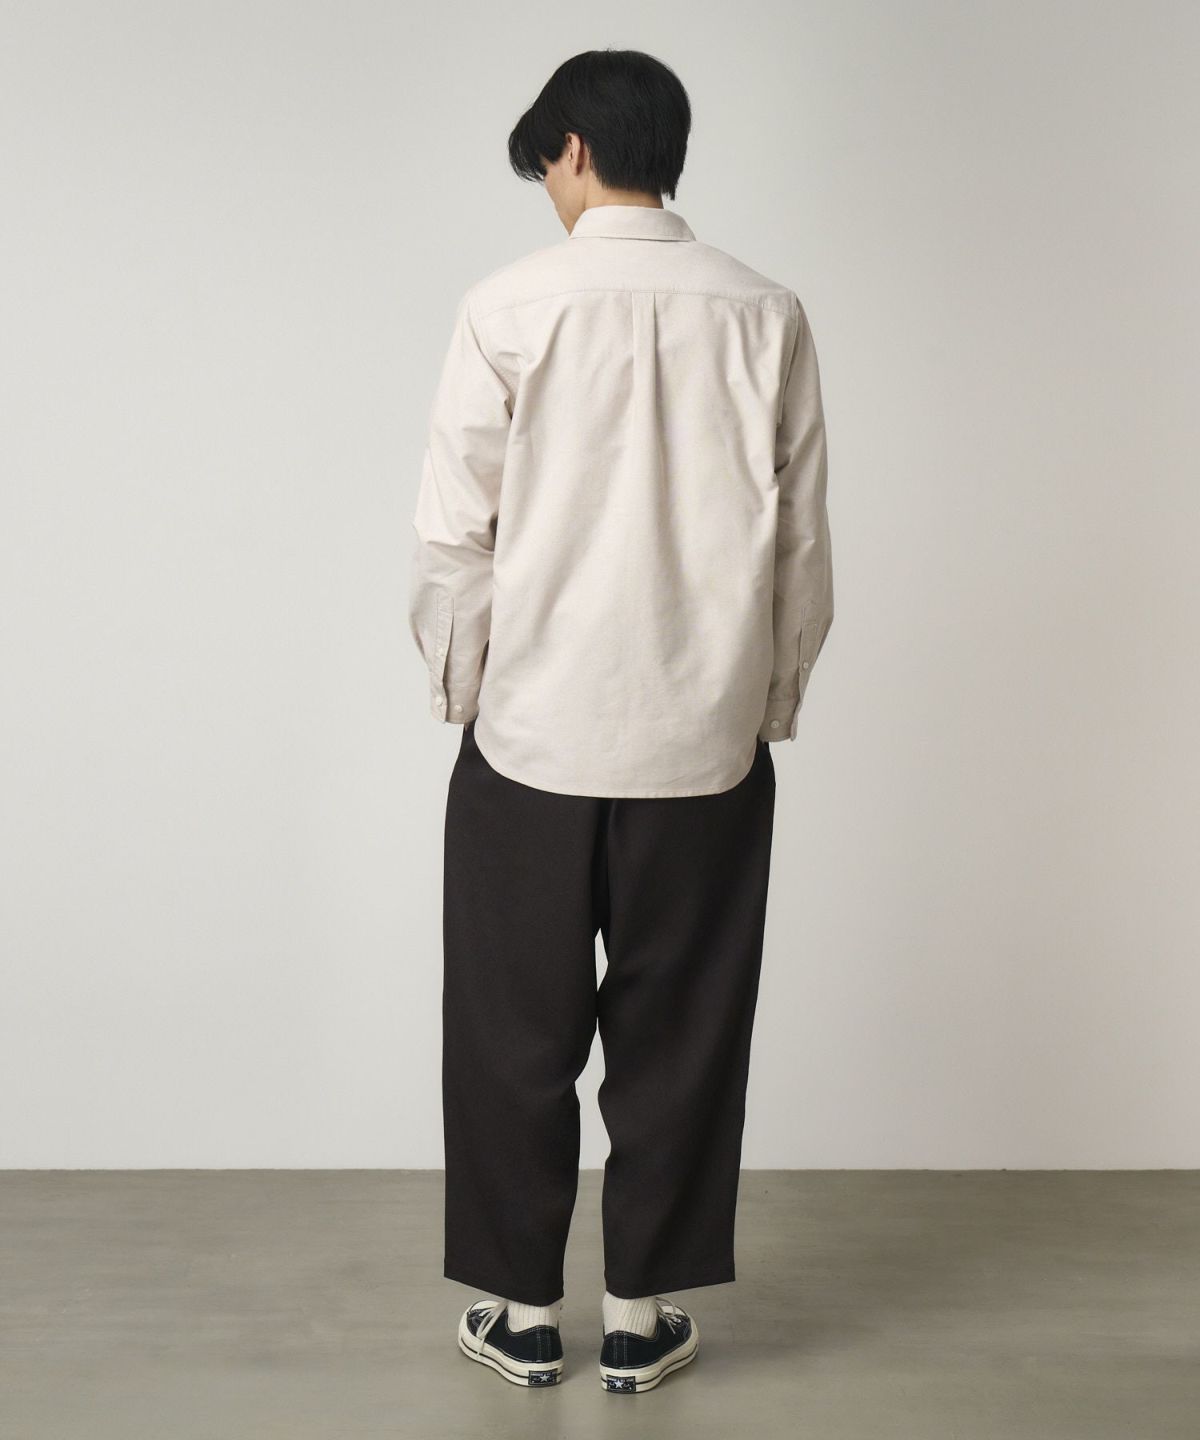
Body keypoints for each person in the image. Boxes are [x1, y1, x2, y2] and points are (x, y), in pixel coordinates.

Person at [407, 48, 834, 1393]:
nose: (549, 187)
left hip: (532, 738)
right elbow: (800, 546)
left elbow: (454, 537)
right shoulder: (767, 313)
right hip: (704, 743)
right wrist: (764, 703)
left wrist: (467, 693)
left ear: (577, 149)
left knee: (509, 1032)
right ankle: (643, 1316)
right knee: (684, 1032)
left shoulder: (506, 308)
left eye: (546, 163)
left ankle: (524, 1315)